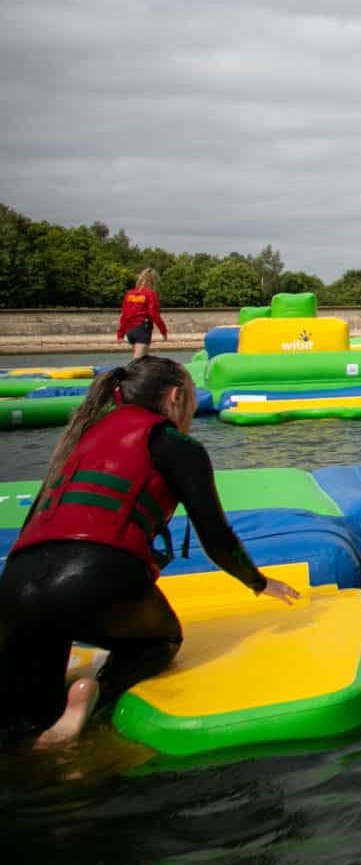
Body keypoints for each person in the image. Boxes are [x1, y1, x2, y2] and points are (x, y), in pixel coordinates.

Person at [0, 356, 299, 749]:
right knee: (160, 641)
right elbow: (216, 536)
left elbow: (35, 520)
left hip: (16, 586)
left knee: (23, 724)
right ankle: (96, 697)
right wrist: (258, 581)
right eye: (191, 400)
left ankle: (53, 725)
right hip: (94, 578)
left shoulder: (78, 440)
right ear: (175, 397)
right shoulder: (174, 444)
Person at [116, 268, 169, 360]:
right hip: (142, 329)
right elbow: (154, 315)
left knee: (139, 360)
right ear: (153, 281)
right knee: (138, 362)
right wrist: (163, 331)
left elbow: (124, 314)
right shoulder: (150, 294)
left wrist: (120, 334)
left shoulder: (129, 294)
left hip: (129, 331)